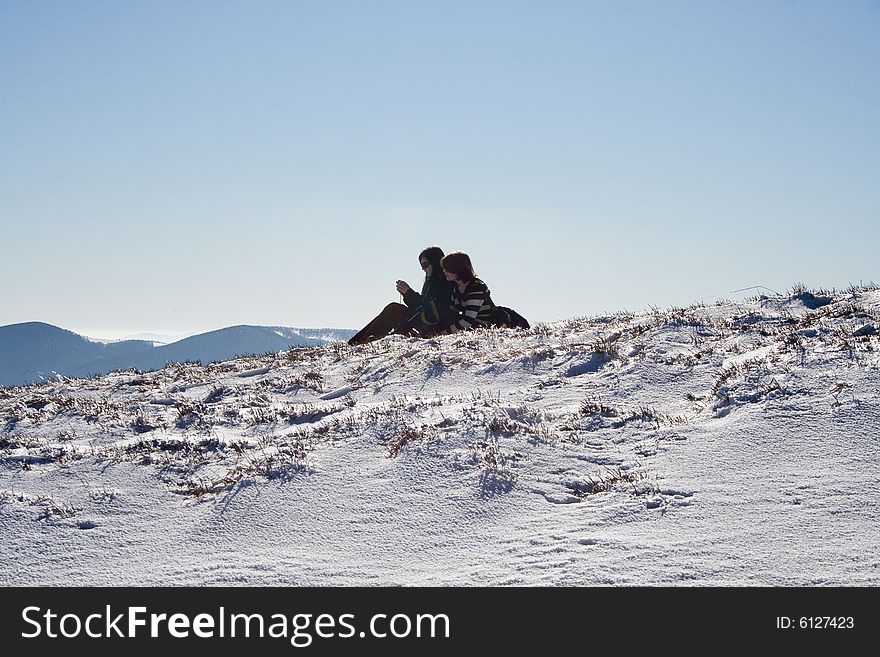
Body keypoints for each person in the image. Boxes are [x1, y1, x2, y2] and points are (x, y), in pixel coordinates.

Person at [348, 246, 454, 345]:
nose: (423, 269)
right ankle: (356, 342)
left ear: (435, 263)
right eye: (422, 266)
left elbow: (434, 307)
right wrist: (407, 294)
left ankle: (360, 342)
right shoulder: (431, 281)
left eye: (425, 265)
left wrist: (410, 293)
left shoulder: (446, 280)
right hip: (424, 321)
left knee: (393, 310)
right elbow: (420, 304)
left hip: (431, 324)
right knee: (392, 309)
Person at [439, 251, 495, 333]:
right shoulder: (456, 287)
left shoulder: (476, 287)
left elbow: (468, 321)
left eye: (447, 269)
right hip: (468, 325)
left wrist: (445, 332)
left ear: (458, 269)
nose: (444, 271)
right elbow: (453, 312)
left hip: (481, 327)